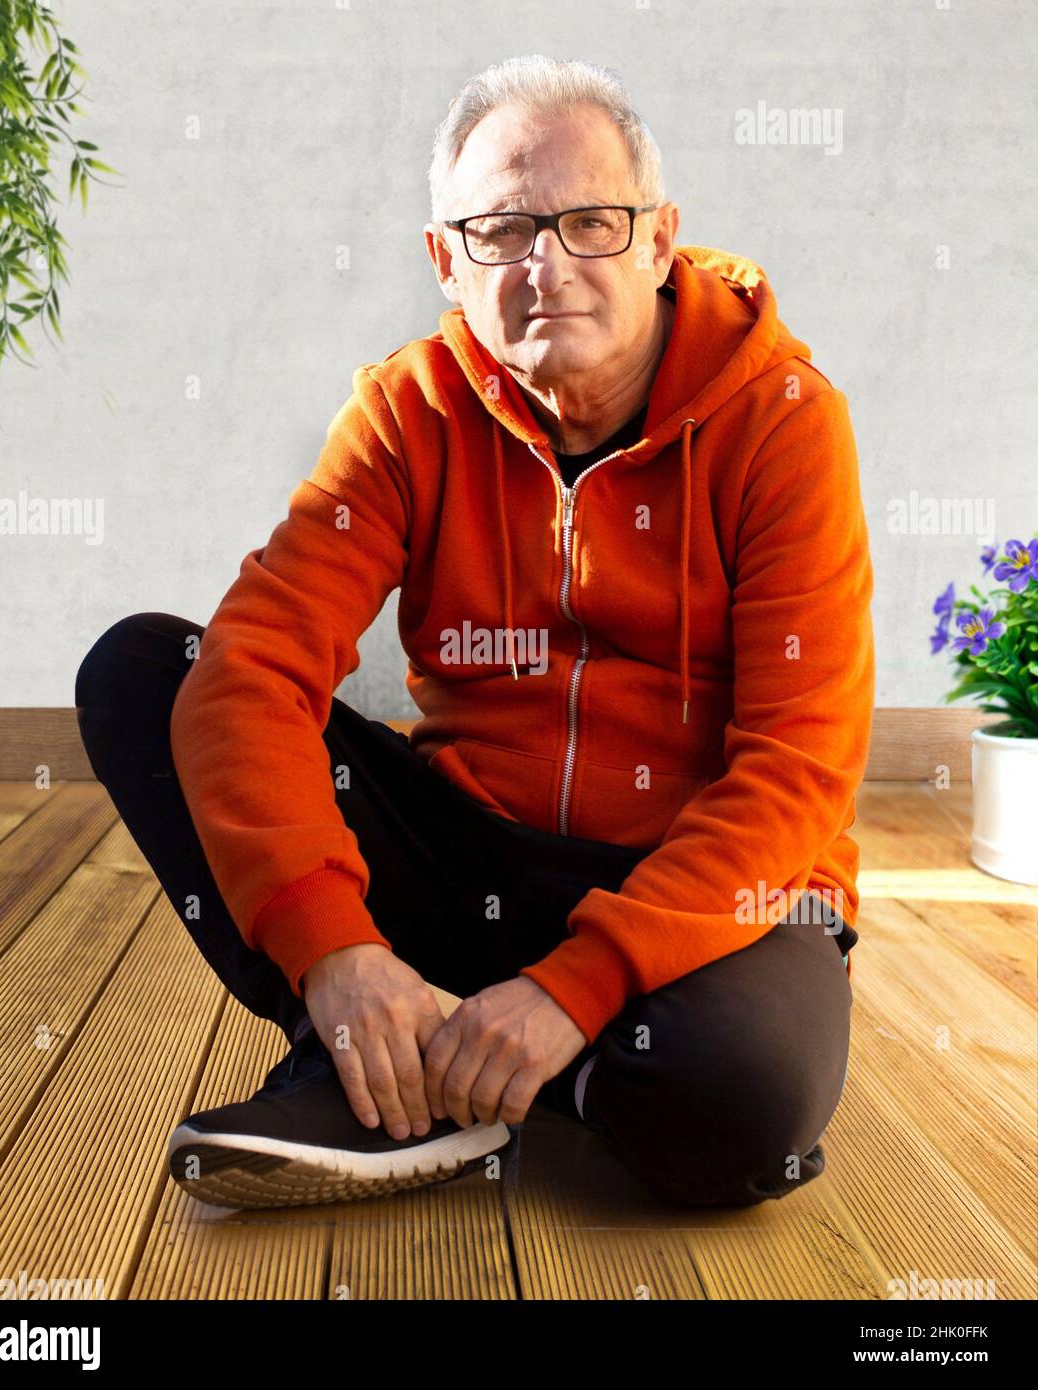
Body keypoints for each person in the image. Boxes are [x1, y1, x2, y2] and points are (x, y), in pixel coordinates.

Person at [75, 54, 872, 1212]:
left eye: (592, 222)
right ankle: (359, 1034)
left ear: (659, 241)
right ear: (448, 262)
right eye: (502, 231)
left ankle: (433, 1073)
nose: (548, 266)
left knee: (742, 1102)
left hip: (704, 886)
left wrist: (577, 987)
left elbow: (799, 773)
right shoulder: (409, 408)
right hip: (471, 854)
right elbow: (255, 668)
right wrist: (335, 954)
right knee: (149, 671)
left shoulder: (786, 420)